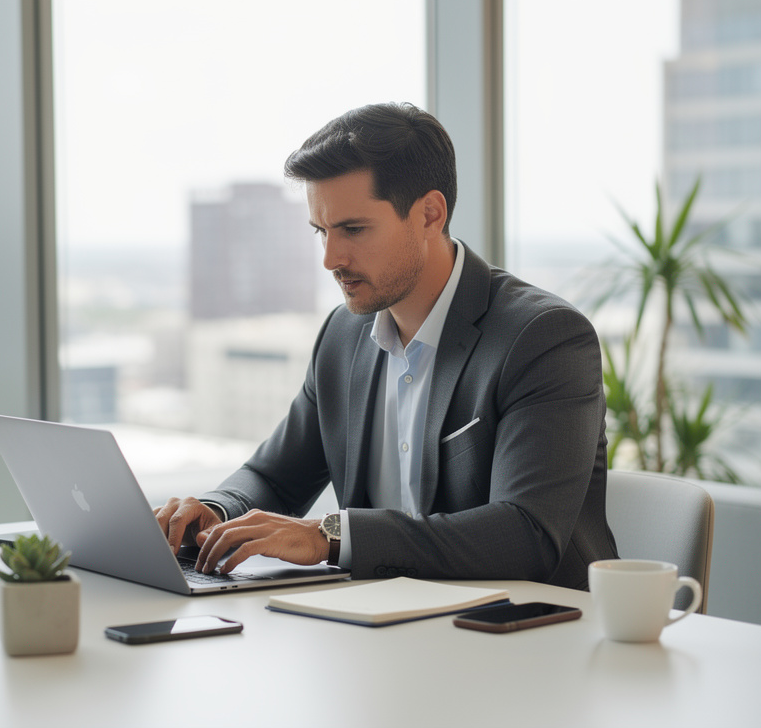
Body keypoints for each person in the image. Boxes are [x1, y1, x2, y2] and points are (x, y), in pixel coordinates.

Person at [154, 102, 618, 590]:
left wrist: (330, 536)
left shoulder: (543, 338)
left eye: (353, 229)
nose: (332, 259)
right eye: (322, 232)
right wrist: (215, 509)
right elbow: (275, 478)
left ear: (429, 214)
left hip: (528, 634)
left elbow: (525, 536)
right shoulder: (342, 335)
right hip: (384, 630)